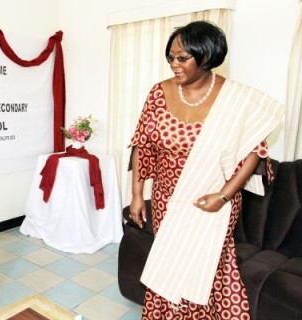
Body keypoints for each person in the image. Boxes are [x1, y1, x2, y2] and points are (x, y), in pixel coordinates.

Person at [129, 21, 284, 319]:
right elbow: (142, 144)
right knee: (170, 261)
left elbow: (254, 152)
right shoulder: (158, 93)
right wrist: (137, 195)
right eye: (170, 57)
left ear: (207, 57)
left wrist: (224, 196)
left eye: (182, 58)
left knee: (208, 262)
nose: (174, 64)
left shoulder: (235, 98)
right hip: (167, 198)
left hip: (214, 198)